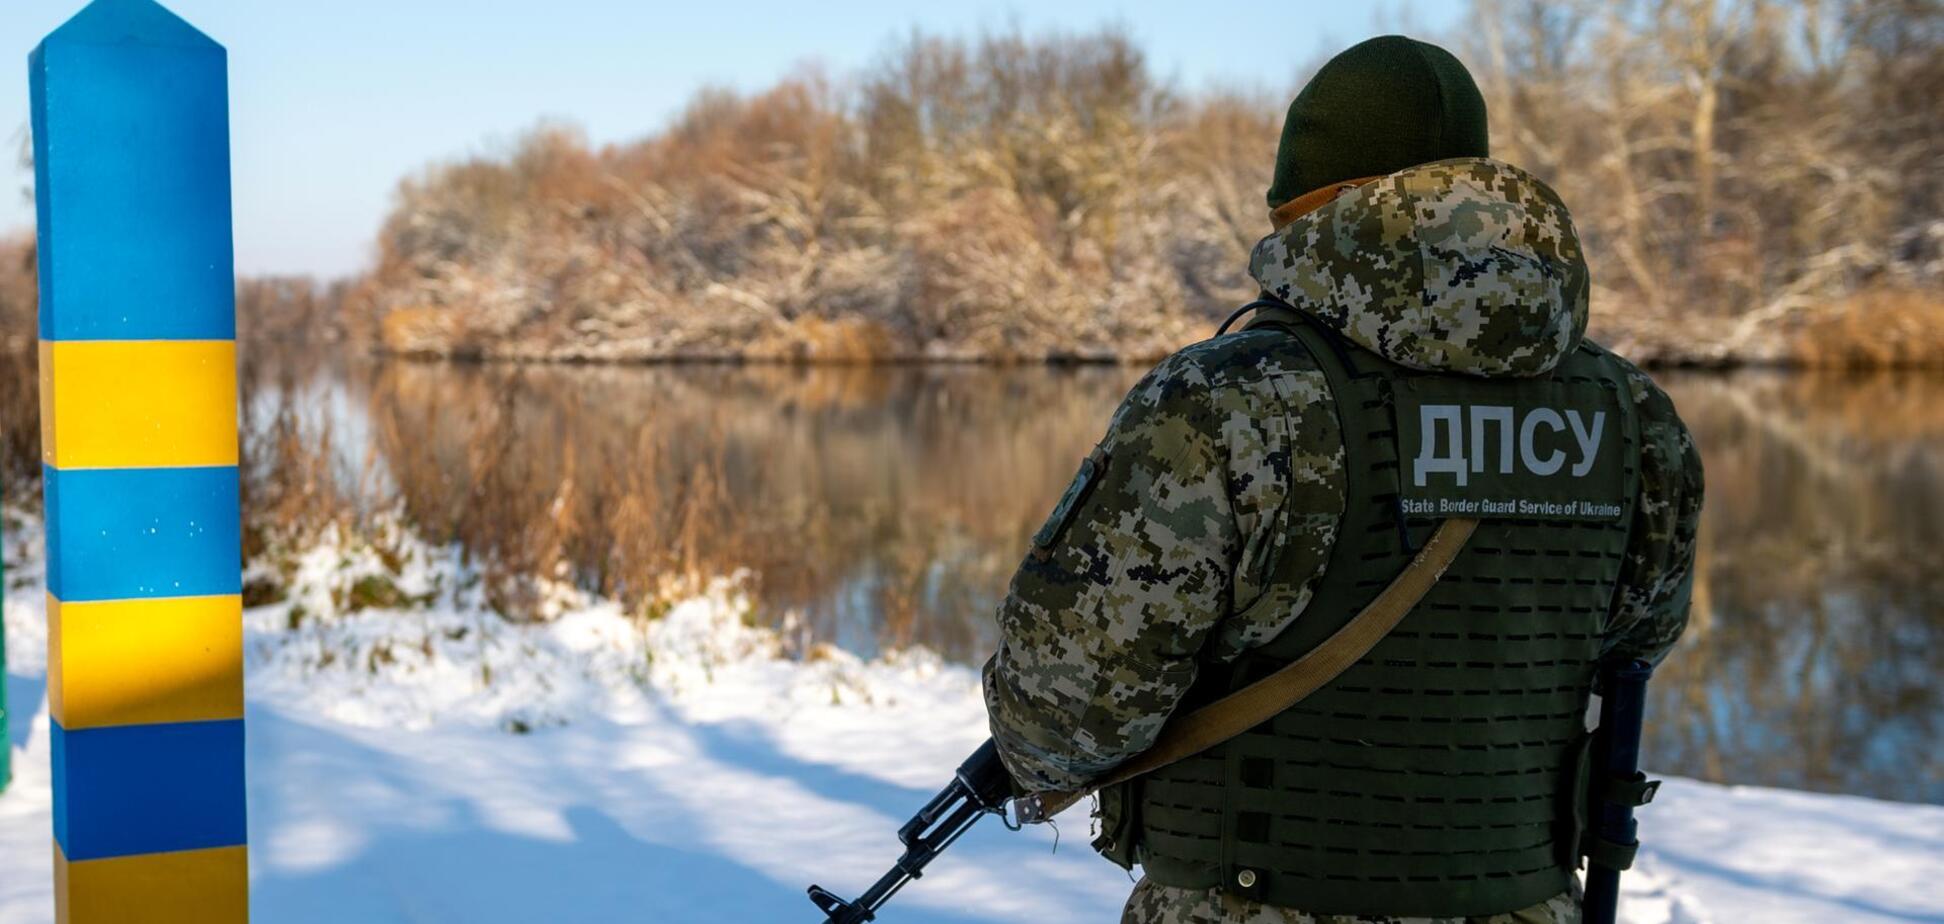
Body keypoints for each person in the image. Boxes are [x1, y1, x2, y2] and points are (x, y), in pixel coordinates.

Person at [981, 35, 1704, 924]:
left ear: (1308, 210)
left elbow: (1062, 714)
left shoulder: (1234, 399)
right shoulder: (1636, 417)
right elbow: (1633, 646)